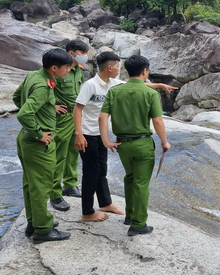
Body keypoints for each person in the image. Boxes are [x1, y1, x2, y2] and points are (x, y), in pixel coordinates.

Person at [74, 51, 178, 222]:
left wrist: (159, 85)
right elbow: (77, 110)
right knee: (92, 173)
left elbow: (137, 85)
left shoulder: (114, 85)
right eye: (116, 66)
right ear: (109, 67)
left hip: (104, 136)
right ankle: (89, 212)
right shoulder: (90, 85)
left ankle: (106, 203)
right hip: (88, 134)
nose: (118, 69)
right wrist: (78, 134)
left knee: (104, 171)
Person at [99, 55, 171, 236]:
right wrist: (164, 142)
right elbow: (158, 121)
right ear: (145, 71)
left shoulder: (115, 91)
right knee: (141, 183)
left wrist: (106, 140)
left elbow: (102, 117)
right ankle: (139, 224)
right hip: (142, 144)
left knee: (130, 177)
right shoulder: (150, 93)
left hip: (122, 144)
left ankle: (129, 215)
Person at [13, 48, 73, 243]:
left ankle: (34, 221)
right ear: (54, 68)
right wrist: (39, 133)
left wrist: (47, 106)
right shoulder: (42, 86)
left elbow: (16, 97)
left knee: (30, 183)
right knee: (41, 185)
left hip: (25, 140)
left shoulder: (33, 76)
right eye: (66, 68)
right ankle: (43, 229)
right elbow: (23, 114)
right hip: (37, 144)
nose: (68, 71)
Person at [50, 39, 89, 211]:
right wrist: (52, 105)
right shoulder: (58, 69)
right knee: (59, 155)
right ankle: (54, 194)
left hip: (77, 115)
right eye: (82, 54)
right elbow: (45, 89)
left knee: (74, 150)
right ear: (72, 53)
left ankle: (70, 184)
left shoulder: (78, 70)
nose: (85, 57)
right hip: (63, 118)